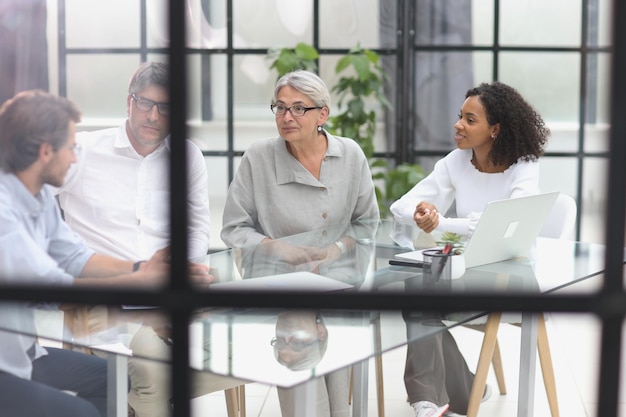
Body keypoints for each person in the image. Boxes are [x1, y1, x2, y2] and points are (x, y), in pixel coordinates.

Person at [53, 62, 242, 417]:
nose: (154, 116)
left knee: (239, 346)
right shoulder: (83, 151)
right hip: (105, 295)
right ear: (129, 102)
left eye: (166, 107)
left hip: (170, 293)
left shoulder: (187, 156)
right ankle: (143, 395)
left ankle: (135, 400)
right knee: (153, 365)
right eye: (145, 103)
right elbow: (27, 204)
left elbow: (197, 228)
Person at [0, 89, 197, 417]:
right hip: (3, 368)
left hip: (23, 356)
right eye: (71, 148)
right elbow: (54, 291)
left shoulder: (37, 197)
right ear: (46, 152)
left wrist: (140, 268)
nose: (75, 158)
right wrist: (142, 284)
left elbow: (75, 257)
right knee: (82, 412)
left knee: (113, 381)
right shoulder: (4, 213)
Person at [221, 69, 379, 417]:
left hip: (339, 282)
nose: (286, 117)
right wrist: (277, 247)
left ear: (323, 114)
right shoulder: (259, 158)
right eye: (279, 107)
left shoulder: (351, 155)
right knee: (299, 363)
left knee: (340, 388)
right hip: (280, 286)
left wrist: (335, 250)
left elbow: (368, 222)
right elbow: (234, 228)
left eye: (298, 108)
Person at [390, 81, 549, 417]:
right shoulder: (456, 161)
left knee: (422, 302)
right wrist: (422, 210)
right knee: (417, 296)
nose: (458, 125)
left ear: (495, 130)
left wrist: (442, 223)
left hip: (514, 280)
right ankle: (429, 402)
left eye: (470, 120)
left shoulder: (524, 164)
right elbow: (400, 207)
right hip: (465, 272)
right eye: (460, 116)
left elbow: (499, 222)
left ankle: (450, 395)